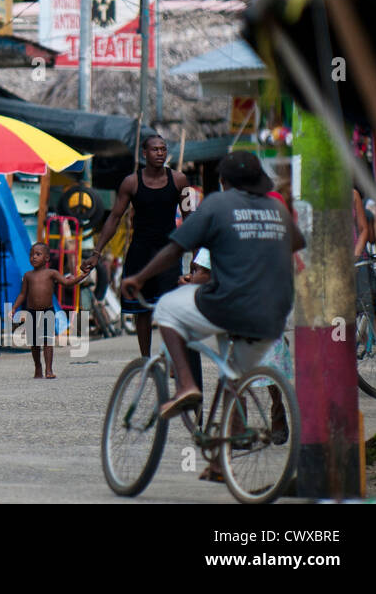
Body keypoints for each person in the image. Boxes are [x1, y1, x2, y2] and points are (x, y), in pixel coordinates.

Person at [121, 151, 305, 425]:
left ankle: (186, 385)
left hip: (230, 305)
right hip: (273, 312)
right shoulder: (276, 208)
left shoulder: (219, 204)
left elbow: (175, 249)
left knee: (168, 308)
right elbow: (296, 244)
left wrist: (139, 277)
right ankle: (223, 455)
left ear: (224, 180)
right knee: (233, 376)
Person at [82, 135, 191, 359]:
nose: (160, 153)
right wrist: (96, 252)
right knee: (142, 311)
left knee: (170, 309)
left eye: (163, 149)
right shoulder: (131, 182)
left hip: (169, 253)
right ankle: (145, 359)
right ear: (144, 153)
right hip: (140, 251)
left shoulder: (180, 180)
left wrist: (198, 256)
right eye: (155, 149)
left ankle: (172, 360)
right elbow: (114, 218)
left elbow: (191, 218)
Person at [10, 242, 88, 379]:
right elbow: (23, 294)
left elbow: (67, 283)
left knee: (47, 341)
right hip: (31, 312)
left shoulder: (52, 273)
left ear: (46, 258)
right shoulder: (28, 276)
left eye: (38, 254)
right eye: (31, 255)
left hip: (47, 311)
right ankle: (38, 367)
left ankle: (49, 369)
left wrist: (81, 276)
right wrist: (14, 308)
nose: (33, 257)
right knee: (34, 342)